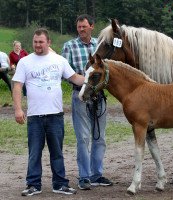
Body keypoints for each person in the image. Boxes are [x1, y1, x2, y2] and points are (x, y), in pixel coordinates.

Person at [12, 28, 85, 196]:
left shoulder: (59, 60)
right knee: (34, 152)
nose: (38, 45)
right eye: (35, 42)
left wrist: (91, 77)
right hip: (35, 117)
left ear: (48, 42)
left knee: (57, 152)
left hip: (55, 115)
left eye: (41, 42)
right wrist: (17, 109)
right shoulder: (25, 62)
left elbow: (74, 78)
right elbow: (17, 86)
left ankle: (59, 184)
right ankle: (33, 184)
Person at [61, 14, 113, 190]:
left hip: (99, 96)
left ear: (92, 26)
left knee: (100, 137)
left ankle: (96, 174)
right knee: (83, 138)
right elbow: (65, 72)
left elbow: (108, 69)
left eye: (84, 26)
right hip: (80, 95)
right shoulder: (69, 46)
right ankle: (84, 176)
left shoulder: (100, 46)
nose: (81, 29)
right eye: (79, 27)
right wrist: (85, 82)